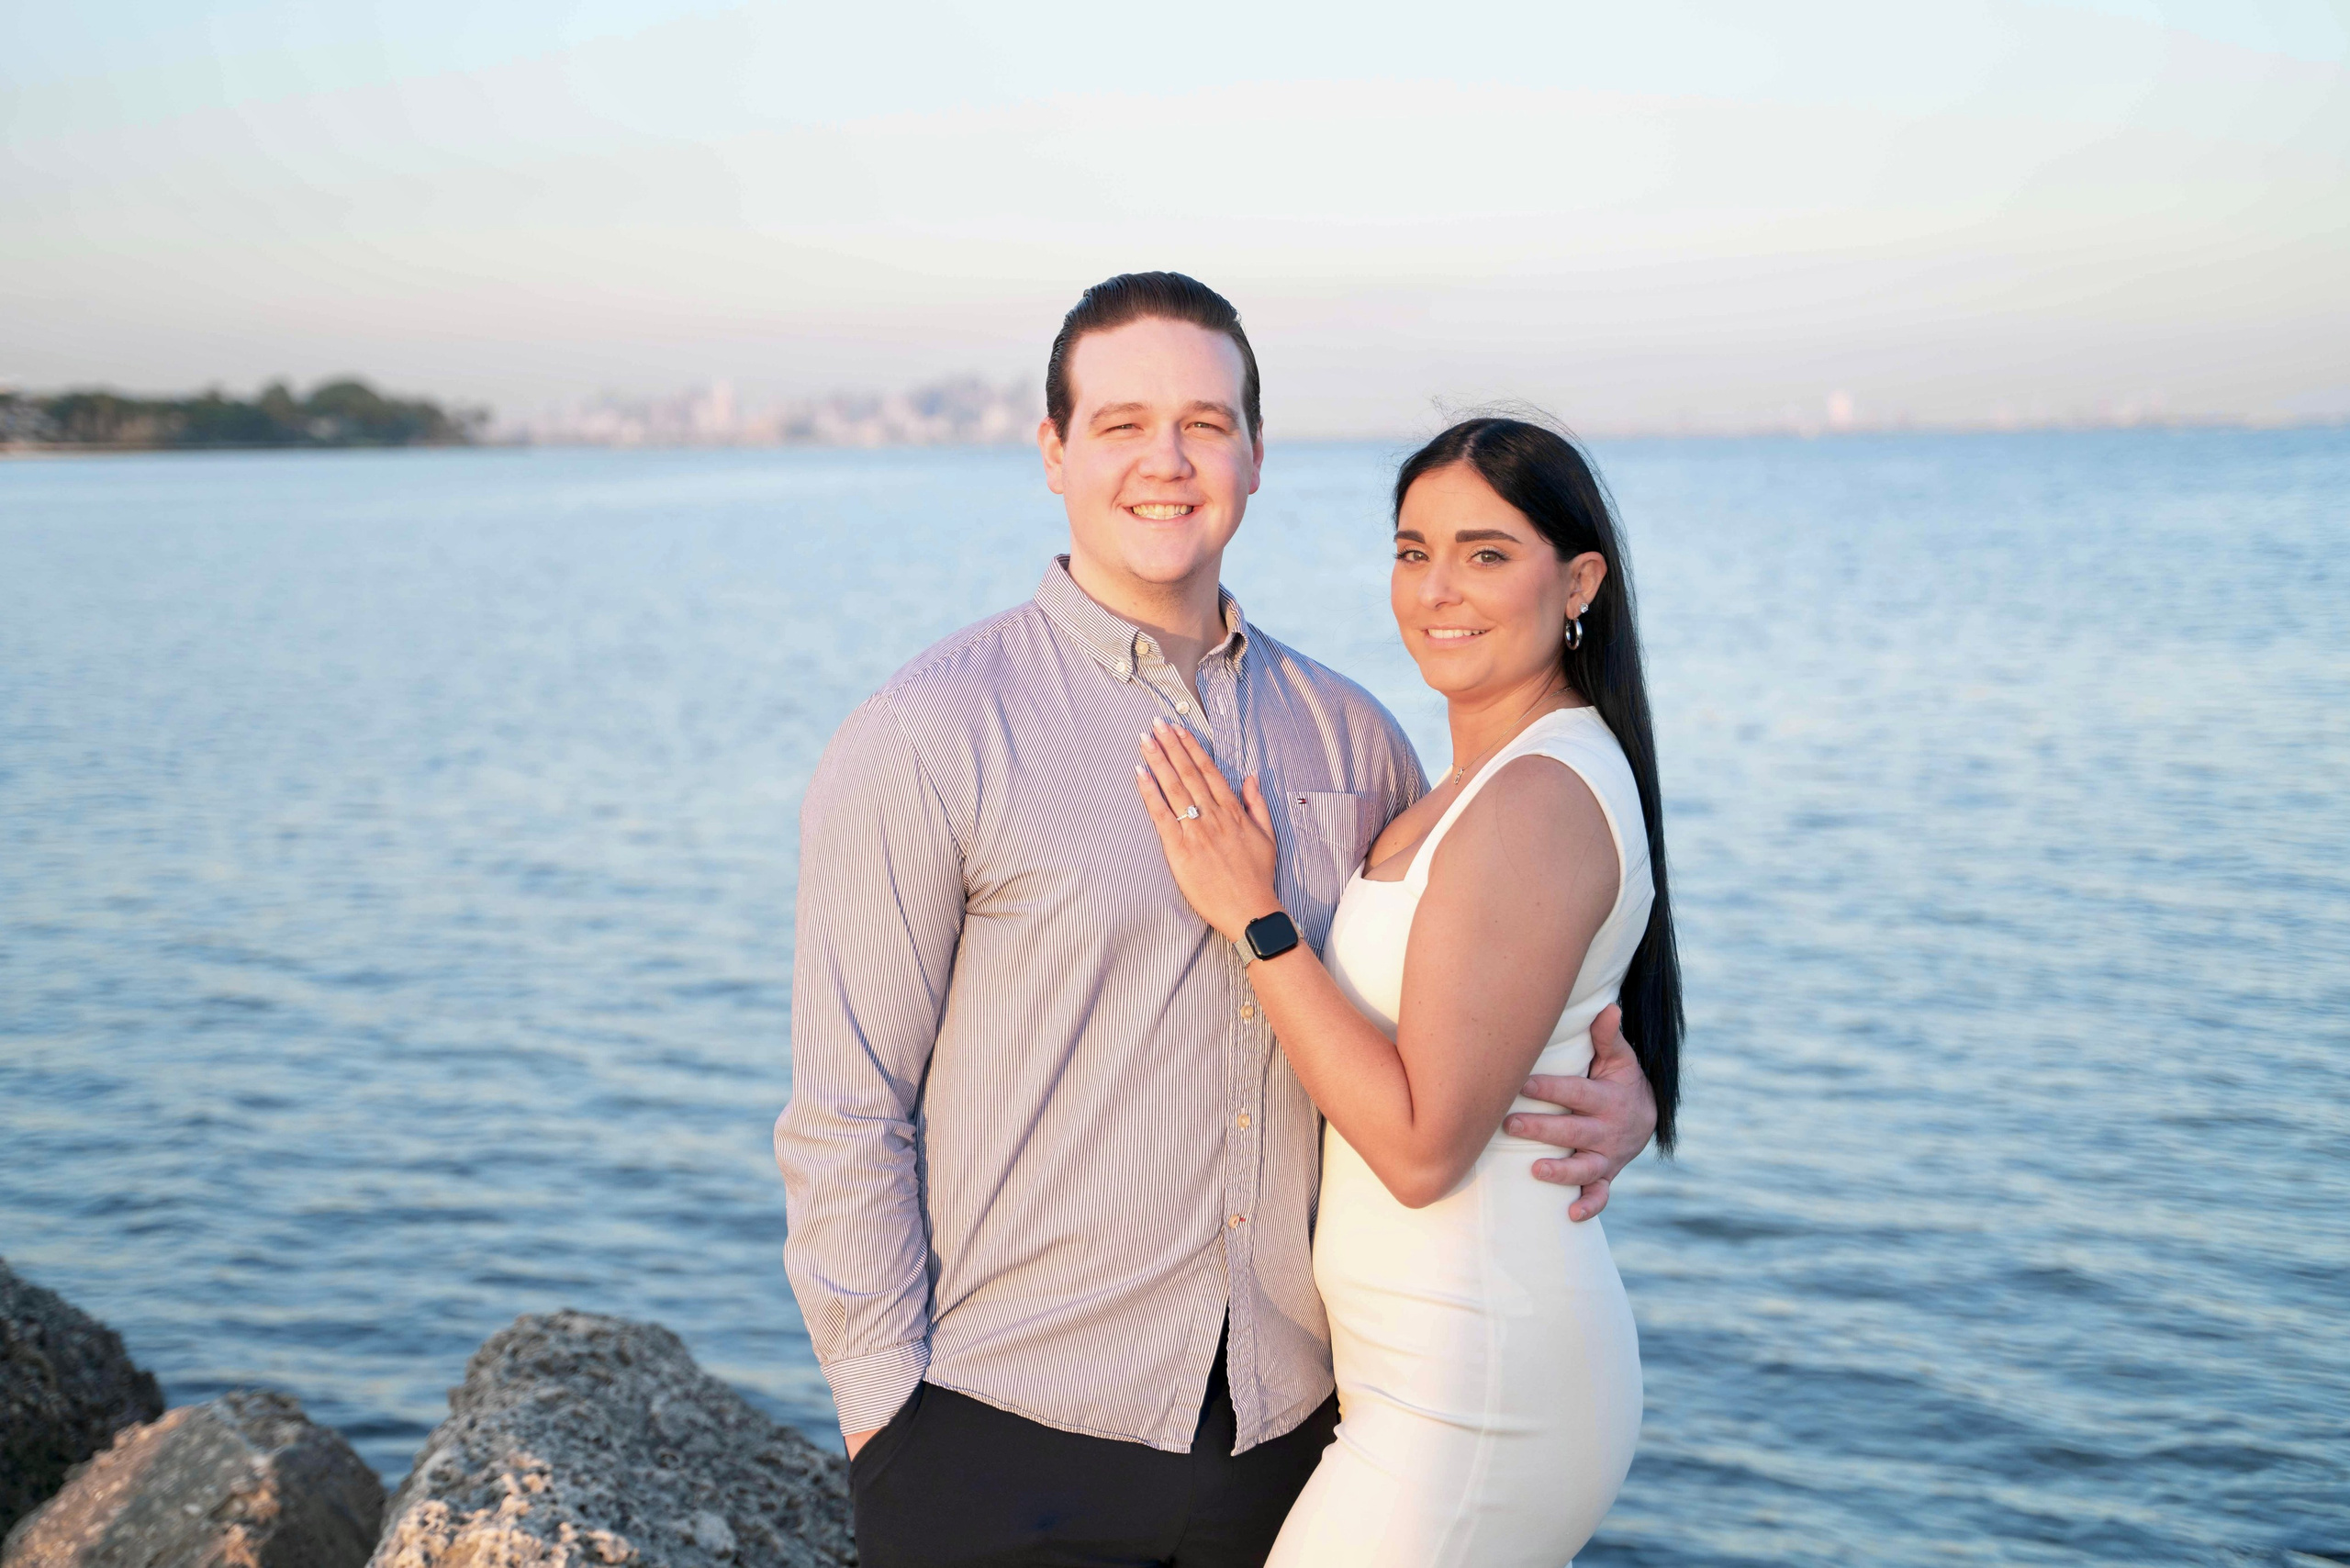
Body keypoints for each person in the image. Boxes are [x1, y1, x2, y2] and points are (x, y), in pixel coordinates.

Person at [774, 273, 1657, 1568]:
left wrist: (1609, 1099)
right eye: (1123, 423)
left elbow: (1456, 1006)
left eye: (1205, 421)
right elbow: (845, 1112)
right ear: (1056, 452)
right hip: (1003, 1442)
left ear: (1254, 453)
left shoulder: (1355, 738)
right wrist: (887, 1424)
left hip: (1292, 1445)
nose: (1167, 461)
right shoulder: (929, 733)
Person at [1133, 414, 1682, 1565]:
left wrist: (1254, 917)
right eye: (1412, 550)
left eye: (1486, 553)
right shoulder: (1466, 787)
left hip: (1477, 1395)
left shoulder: (1533, 798)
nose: (1439, 589)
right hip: (1421, 1375)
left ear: (1578, 580)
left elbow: (1425, 1146)